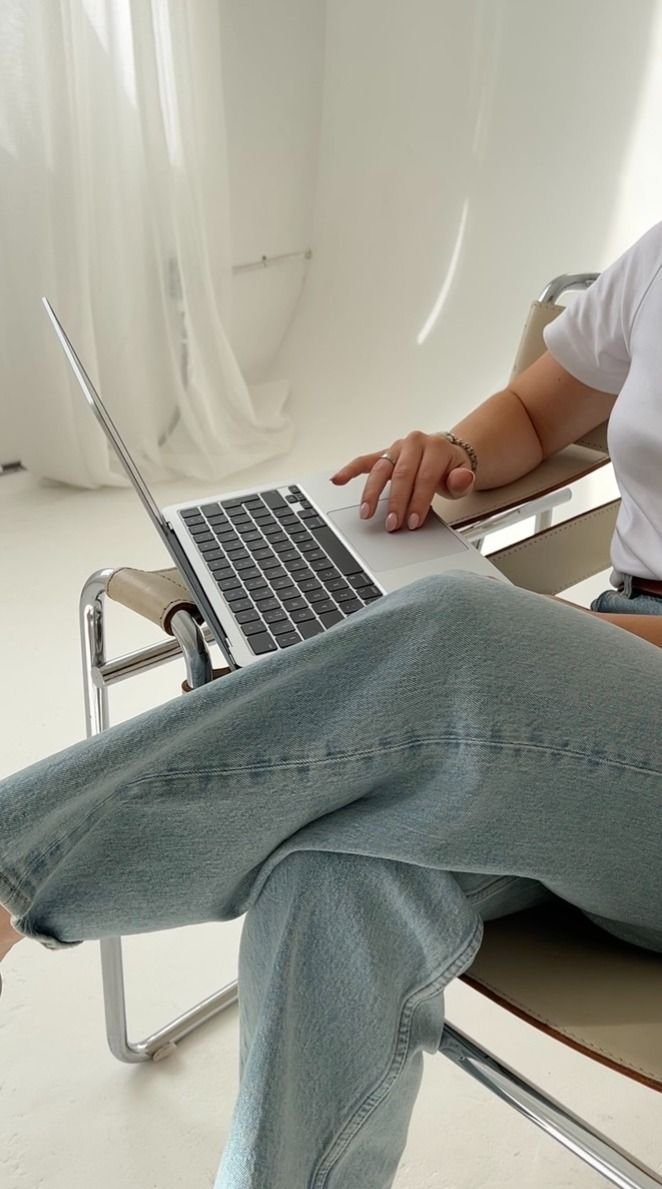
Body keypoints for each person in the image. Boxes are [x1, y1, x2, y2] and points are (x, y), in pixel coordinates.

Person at [2, 222, 662, 1189]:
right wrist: (452, 452)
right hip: (611, 722)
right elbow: (533, 409)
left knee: (457, 632)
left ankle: (12, 874)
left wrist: (529, 655)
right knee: (332, 869)